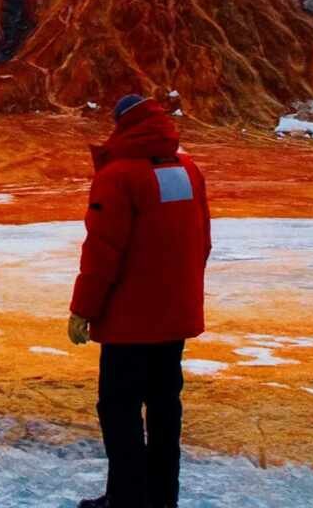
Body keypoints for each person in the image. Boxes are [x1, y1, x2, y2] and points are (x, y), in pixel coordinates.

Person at [68, 95, 211, 508]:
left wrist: (82, 310)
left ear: (123, 125)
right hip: (174, 318)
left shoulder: (117, 176)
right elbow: (202, 241)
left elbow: (102, 252)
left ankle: (127, 498)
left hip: (129, 324)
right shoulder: (189, 170)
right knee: (165, 408)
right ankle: (162, 497)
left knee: (119, 409)